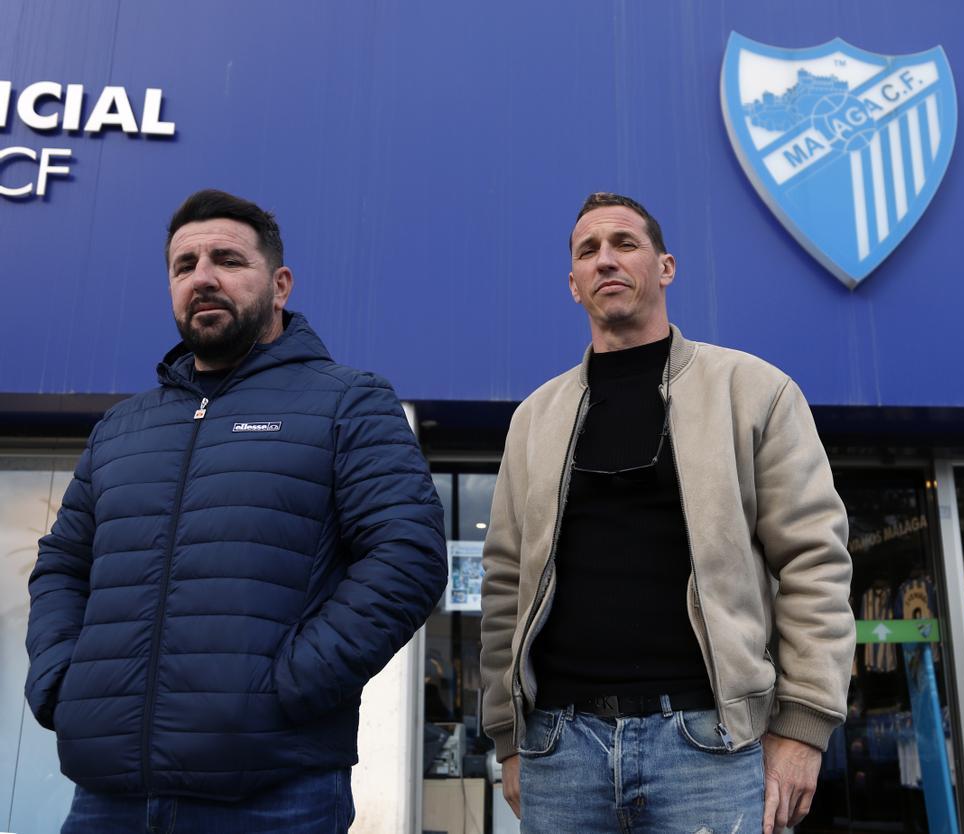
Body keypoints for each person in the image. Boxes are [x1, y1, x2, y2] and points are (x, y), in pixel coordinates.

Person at [24, 189, 447, 833]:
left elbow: (407, 556)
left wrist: (290, 688)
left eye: (226, 258)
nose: (204, 277)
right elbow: (61, 563)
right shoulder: (120, 428)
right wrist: (60, 679)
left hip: (274, 792)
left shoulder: (348, 402)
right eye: (184, 265)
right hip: (108, 797)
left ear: (279, 284)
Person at [480, 192, 855, 834]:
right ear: (573, 285)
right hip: (559, 751)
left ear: (667, 266)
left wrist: (804, 725)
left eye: (625, 243)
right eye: (588, 251)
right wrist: (509, 738)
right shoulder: (533, 419)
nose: (606, 260)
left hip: (708, 745)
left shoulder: (753, 391)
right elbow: (505, 584)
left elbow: (814, 561)